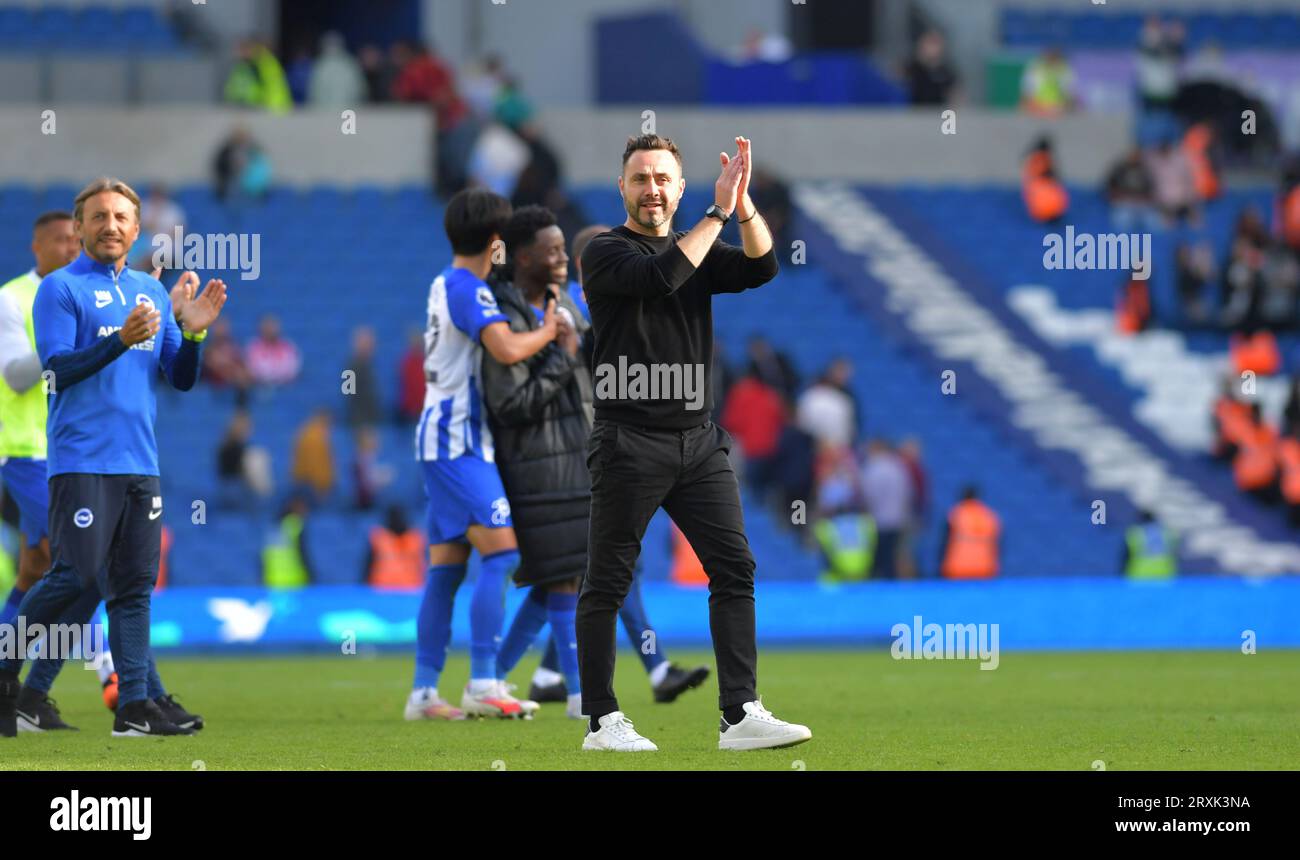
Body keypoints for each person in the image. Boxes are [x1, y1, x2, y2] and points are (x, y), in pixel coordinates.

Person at [576, 133, 810, 751]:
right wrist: (715, 213)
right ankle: (601, 721)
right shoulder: (604, 252)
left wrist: (744, 203)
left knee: (734, 567)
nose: (652, 188)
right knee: (608, 580)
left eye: (662, 179)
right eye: (640, 178)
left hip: (698, 441)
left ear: (679, 187)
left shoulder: (700, 244)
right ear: (621, 187)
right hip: (629, 439)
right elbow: (661, 277)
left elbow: (763, 265)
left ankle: (740, 713)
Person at [0, 177, 225, 738]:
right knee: (71, 574)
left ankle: (134, 707)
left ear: (136, 226)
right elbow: (55, 369)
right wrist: (119, 341)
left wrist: (192, 337)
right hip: (81, 461)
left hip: (139, 464)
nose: (111, 226)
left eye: (122, 217)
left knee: (130, 586)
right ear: (80, 228)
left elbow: (179, 379)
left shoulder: (149, 288)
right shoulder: (61, 289)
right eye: (99, 217)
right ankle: (5, 674)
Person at [528, 221, 709, 707]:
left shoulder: (570, 304)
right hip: (590, 447)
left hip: (596, 443)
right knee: (608, 565)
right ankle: (655, 670)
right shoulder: (574, 308)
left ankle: (547, 674)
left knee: (595, 567)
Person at [405, 188, 560, 723]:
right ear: (497, 242)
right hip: (457, 441)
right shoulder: (469, 291)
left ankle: (424, 693)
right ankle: (485, 681)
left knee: (447, 568)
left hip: (445, 436)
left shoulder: (445, 281)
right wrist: (551, 330)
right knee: (501, 553)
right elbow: (507, 349)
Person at [0, 210, 120, 727]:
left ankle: (17, 693)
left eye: (76, 240)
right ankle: (107, 673)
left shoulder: (85, 294)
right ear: (36, 246)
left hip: (68, 451)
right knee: (77, 561)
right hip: (23, 451)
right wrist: (79, 351)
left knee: (35, 570)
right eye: (59, 240)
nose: (70, 248)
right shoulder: (11, 299)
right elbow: (16, 375)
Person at [480, 205, 591, 720]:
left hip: (576, 456)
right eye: (551, 251)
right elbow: (511, 404)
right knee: (567, 576)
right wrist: (563, 355)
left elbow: (583, 375)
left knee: (558, 579)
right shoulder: (502, 317)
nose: (562, 258)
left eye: (564, 249)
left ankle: (492, 678)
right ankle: (579, 695)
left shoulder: (561, 301)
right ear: (523, 257)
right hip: (534, 464)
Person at [861, 439, 913, 580]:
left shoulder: (874, 468)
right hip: (897, 519)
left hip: (879, 520)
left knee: (878, 560)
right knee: (892, 557)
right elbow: (907, 493)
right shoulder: (898, 467)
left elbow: (868, 495)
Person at [939, 485, 1001, 580]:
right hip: (985, 569)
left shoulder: (955, 515)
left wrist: (940, 569)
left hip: (956, 570)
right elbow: (997, 547)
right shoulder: (989, 516)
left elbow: (944, 544)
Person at [365, 505, 425, 589]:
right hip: (382, 592)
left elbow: (422, 567)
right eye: (394, 517)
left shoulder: (416, 538)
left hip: (410, 592)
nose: (397, 520)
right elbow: (368, 566)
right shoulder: (378, 538)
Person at [308, 32, 366, 108]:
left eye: (334, 44)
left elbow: (358, 89)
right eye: (329, 44)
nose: (332, 48)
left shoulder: (349, 64)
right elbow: (315, 91)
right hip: (324, 111)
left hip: (348, 110)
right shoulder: (320, 65)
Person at [905, 29, 958, 105]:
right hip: (912, 114)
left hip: (938, 114)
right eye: (929, 43)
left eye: (935, 43)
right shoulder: (909, 70)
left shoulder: (948, 73)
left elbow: (956, 101)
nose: (932, 48)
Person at [1122, 510, 1177, 578]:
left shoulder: (1135, 533)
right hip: (1164, 573)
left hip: (1140, 573)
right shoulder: (1167, 533)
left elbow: (1126, 555)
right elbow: (1175, 552)